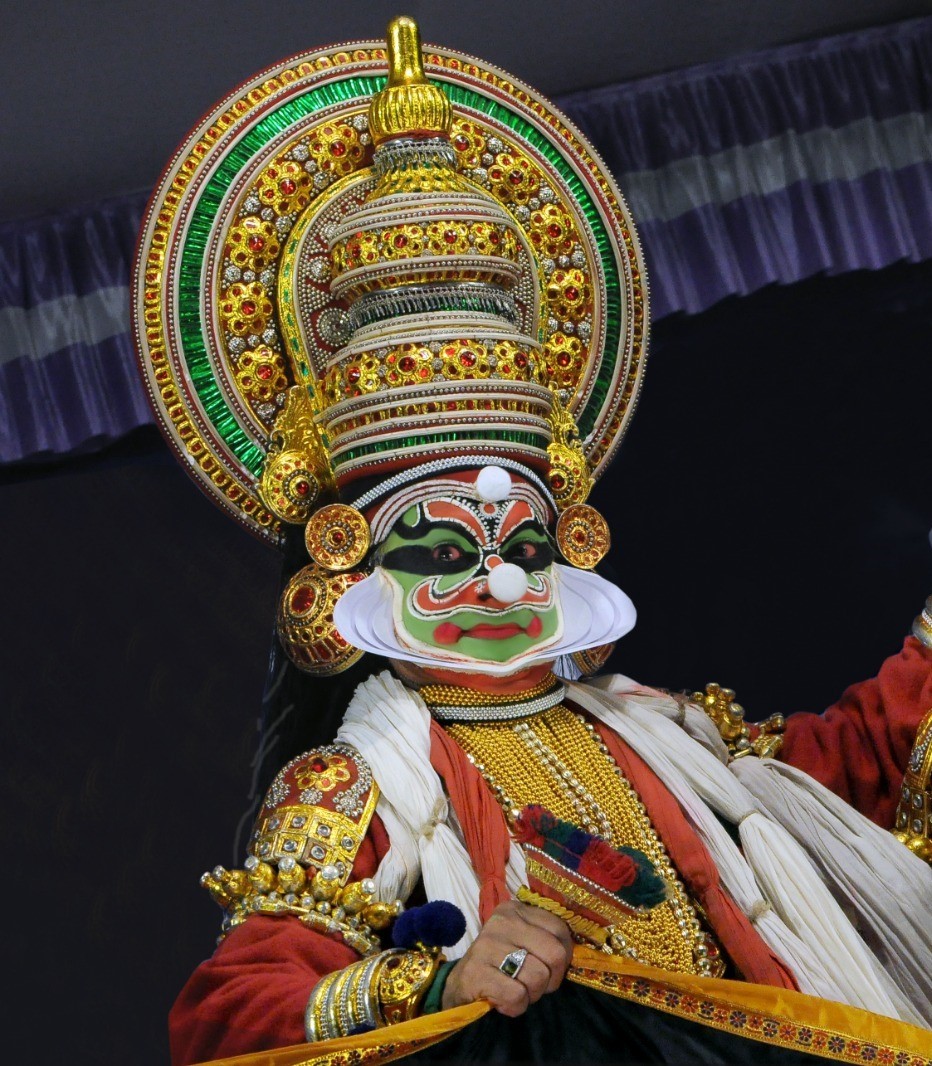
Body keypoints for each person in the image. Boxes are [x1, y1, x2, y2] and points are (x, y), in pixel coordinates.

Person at [134, 17, 932, 1066]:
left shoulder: (667, 734)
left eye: (523, 540)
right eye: (442, 547)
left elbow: (854, 781)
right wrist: (437, 979)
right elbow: (229, 1008)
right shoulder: (353, 784)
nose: (500, 573)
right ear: (345, 561)